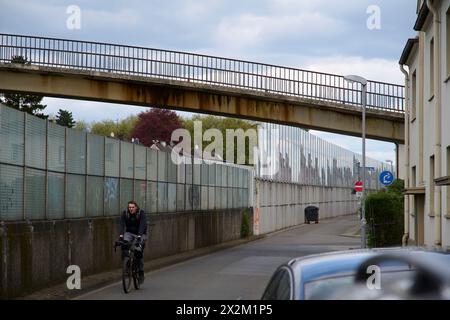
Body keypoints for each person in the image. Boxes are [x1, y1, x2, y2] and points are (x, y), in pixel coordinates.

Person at [118, 201, 147, 283]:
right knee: (124, 245)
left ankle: (141, 272)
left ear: (136, 207)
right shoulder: (125, 213)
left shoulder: (141, 213)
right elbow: (121, 224)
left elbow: (142, 224)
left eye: (132, 207)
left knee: (138, 251)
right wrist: (121, 235)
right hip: (129, 233)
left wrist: (139, 236)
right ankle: (126, 265)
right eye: (129, 207)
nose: (131, 209)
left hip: (140, 233)